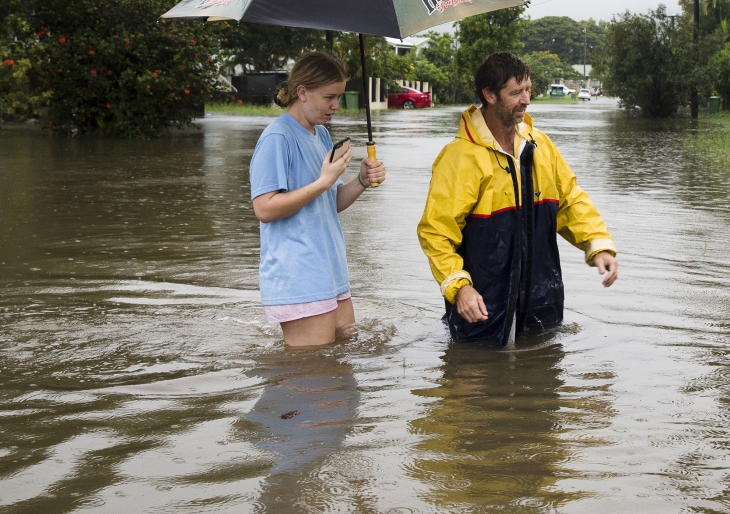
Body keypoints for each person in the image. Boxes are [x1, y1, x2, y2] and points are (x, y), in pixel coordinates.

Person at [417, 52, 618, 345]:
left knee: (544, 372)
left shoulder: (541, 146)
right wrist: (459, 288)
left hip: (542, 301)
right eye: (515, 93)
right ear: (489, 95)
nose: (526, 100)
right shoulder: (458, 158)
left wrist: (597, 245)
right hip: (481, 308)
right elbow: (436, 232)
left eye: (527, 90)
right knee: (473, 374)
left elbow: (570, 200)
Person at [249, 52, 385, 347]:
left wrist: (361, 181)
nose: (336, 106)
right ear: (302, 92)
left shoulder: (321, 136)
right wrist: (323, 181)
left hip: (330, 270)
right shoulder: (277, 138)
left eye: (339, 96)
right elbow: (264, 208)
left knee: (341, 371)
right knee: (312, 377)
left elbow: (329, 202)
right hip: (299, 276)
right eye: (329, 97)